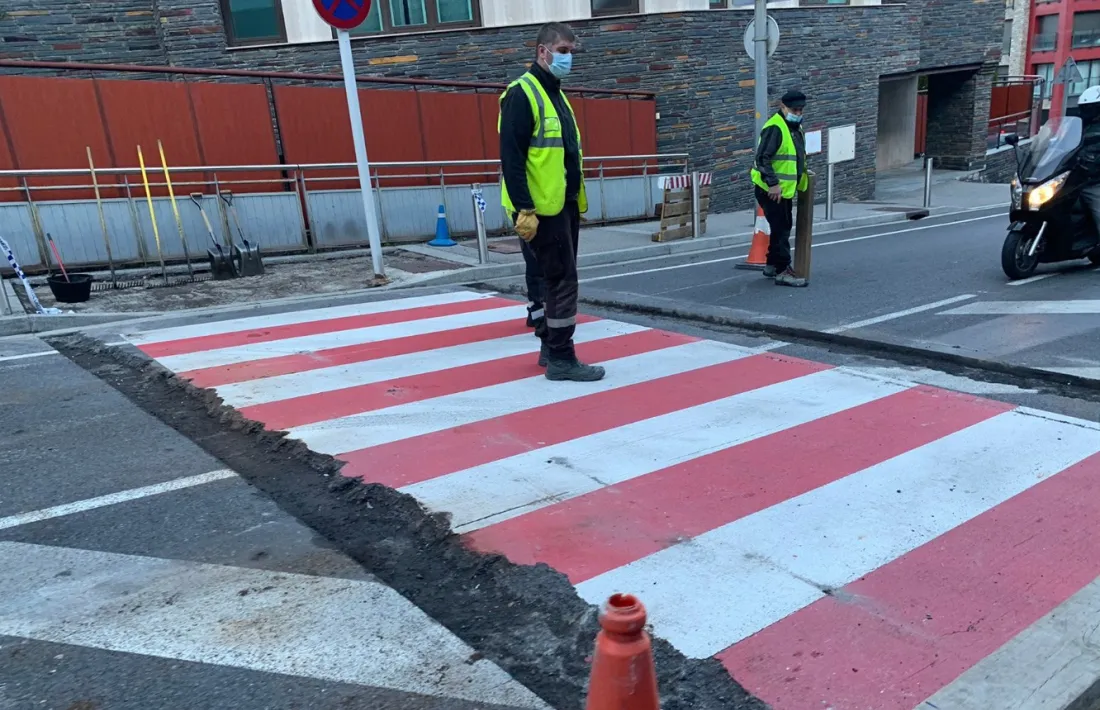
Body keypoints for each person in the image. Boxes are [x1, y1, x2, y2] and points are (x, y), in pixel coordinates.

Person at [498, 22, 605, 382]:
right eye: (562, 51)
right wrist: (524, 208)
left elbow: (565, 155)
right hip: (541, 209)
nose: (568, 58)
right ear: (543, 51)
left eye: (571, 52)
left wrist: (574, 203)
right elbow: (511, 159)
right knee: (560, 281)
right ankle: (562, 356)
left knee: (548, 278)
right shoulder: (522, 94)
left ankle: (549, 347)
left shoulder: (556, 94)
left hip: (560, 205)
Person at [750, 89, 810, 288]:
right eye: (795, 109)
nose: (798, 113)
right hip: (772, 189)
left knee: (780, 227)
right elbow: (762, 158)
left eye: (801, 110)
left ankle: (771, 265)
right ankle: (783, 270)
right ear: (782, 107)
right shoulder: (775, 127)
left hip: (782, 189)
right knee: (782, 229)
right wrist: (773, 184)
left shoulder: (793, 127)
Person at [1076, 86, 1100, 232]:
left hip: (1095, 181)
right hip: (1075, 179)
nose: (1088, 111)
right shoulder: (1078, 126)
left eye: (1092, 108)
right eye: (1085, 108)